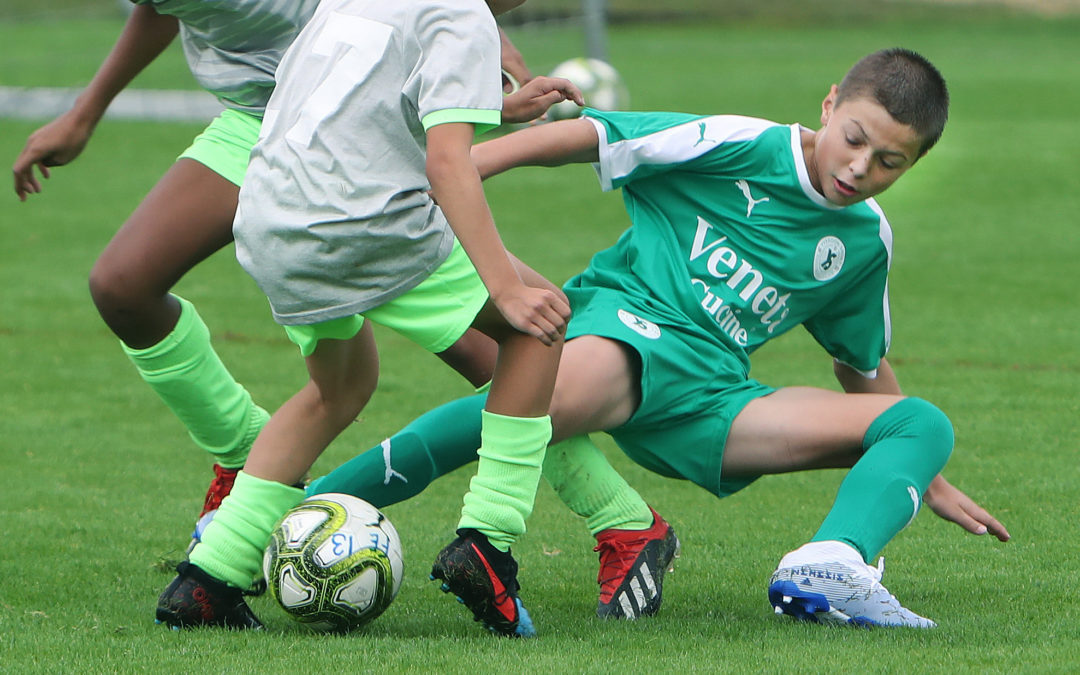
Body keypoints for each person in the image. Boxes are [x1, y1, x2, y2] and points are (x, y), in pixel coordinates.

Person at [304, 47, 1012, 628]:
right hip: (628, 331)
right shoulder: (742, 143)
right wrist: (468, 168)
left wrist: (925, 470)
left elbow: (861, 364)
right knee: (503, 417)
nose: (861, 169)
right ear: (829, 106)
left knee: (922, 420)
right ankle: (306, 509)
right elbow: (595, 134)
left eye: (890, 162)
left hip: (711, 398)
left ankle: (829, 565)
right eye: (855, 139)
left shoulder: (864, 240)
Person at [11, 1, 576, 523]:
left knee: (508, 347)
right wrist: (84, 114)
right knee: (122, 285)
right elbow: (162, 7)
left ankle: (616, 520)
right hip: (272, 121)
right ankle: (251, 465)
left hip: (359, 124)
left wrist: (471, 27)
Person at [155, 0, 583, 638]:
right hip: (361, 222)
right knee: (538, 321)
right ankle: (487, 544)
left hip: (269, 215)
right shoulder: (466, 15)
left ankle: (208, 578)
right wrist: (505, 289)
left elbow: (361, 100)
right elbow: (446, 164)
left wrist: (501, 108)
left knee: (339, 387)